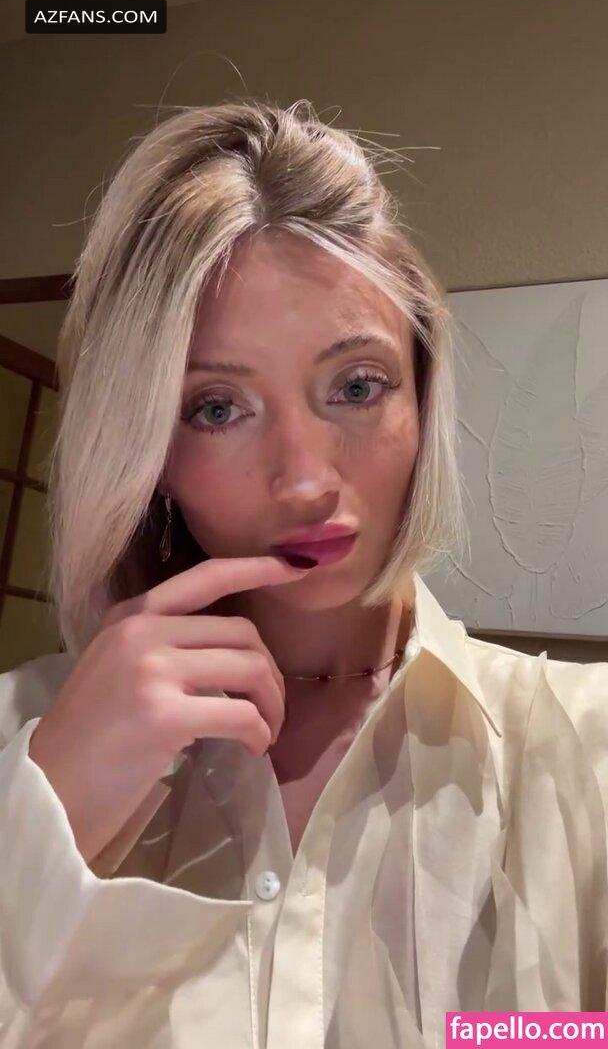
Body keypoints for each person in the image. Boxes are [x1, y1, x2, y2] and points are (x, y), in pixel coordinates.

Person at [0, 98, 606, 1049]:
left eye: (357, 387)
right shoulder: (21, 734)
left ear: (422, 395)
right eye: (216, 408)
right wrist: (45, 820)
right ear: (148, 454)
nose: (307, 479)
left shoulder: (585, 750)